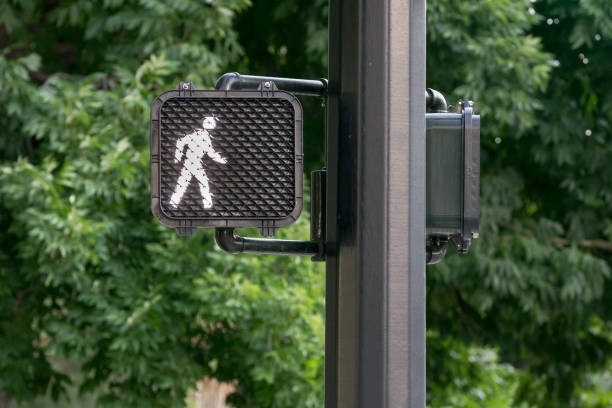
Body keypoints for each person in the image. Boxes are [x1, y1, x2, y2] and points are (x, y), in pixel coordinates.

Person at [169, 116, 227, 209]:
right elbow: (181, 142)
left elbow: (210, 153)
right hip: (192, 162)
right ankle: (207, 205)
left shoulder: (202, 136)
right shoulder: (199, 135)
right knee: (201, 183)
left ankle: (174, 202)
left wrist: (178, 157)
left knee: (186, 182)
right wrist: (177, 157)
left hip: (193, 163)